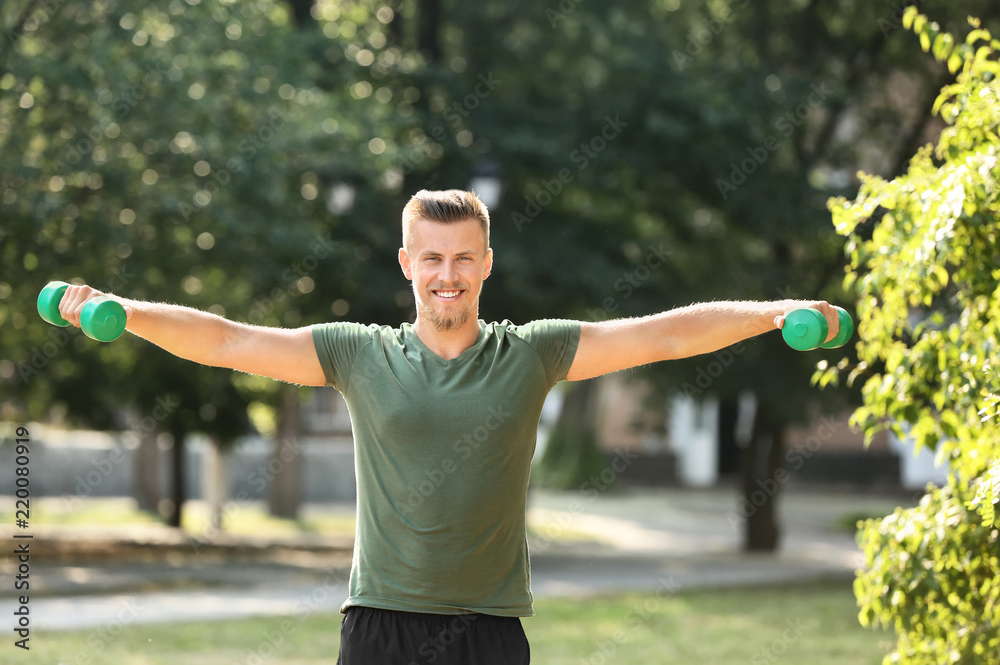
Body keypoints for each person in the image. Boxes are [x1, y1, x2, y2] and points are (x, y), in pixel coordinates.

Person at [57, 189, 841, 664]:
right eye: (432, 257)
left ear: (487, 263)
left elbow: (664, 333)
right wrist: (125, 313)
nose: (447, 274)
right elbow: (230, 340)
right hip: (380, 626)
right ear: (406, 263)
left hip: (490, 632)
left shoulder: (534, 353)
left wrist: (774, 314)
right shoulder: (357, 355)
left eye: (463, 257)